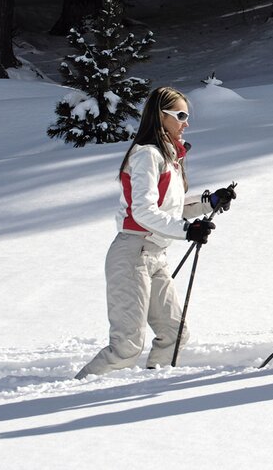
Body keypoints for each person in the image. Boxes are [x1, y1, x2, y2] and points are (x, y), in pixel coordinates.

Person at [75, 86, 236, 378]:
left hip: (155, 256)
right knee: (126, 347)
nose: (186, 122)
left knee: (174, 335)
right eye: (181, 115)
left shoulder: (169, 158)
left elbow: (171, 210)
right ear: (160, 116)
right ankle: (68, 398)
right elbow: (144, 211)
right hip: (132, 254)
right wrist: (188, 231)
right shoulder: (147, 155)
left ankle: (150, 389)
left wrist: (207, 203)